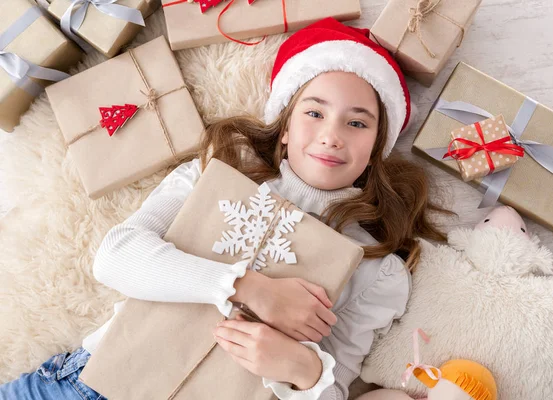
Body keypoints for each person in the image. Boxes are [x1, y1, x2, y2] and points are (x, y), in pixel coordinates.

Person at [0, 17, 448, 400]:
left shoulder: (379, 272)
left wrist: (300, 368)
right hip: (81, 386)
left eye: (356, 123)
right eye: (314, 113)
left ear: (375, 149)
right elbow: (114, 258)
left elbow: (334, 389)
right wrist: (247, 288)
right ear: (286, 127)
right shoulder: (210, 177)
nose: (332, 135)